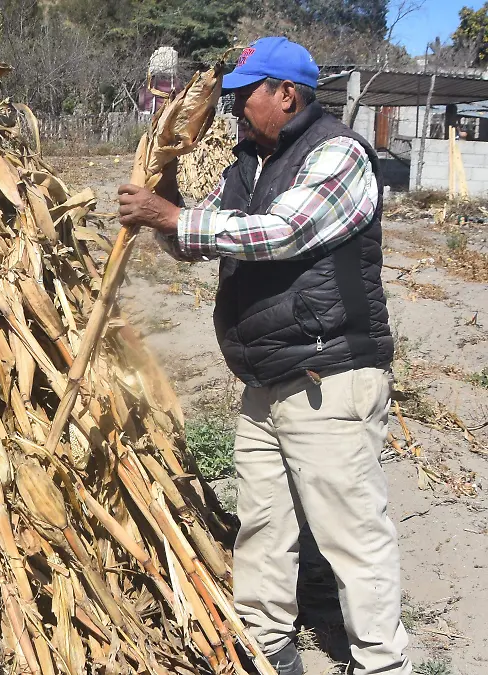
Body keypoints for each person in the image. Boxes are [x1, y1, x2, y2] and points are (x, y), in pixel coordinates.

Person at [116, 38, 410, 675]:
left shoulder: (338, 154)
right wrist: (165, 211)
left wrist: (175, 217)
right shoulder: (250, 161)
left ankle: (382, 663)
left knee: (350, 533)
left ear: (287, 93)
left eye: (245, 93)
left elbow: (284, 233)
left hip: (326, 374)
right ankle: (269, 646)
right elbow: (205, 240)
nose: (233, 107)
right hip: (265, 377)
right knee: (264, 523)